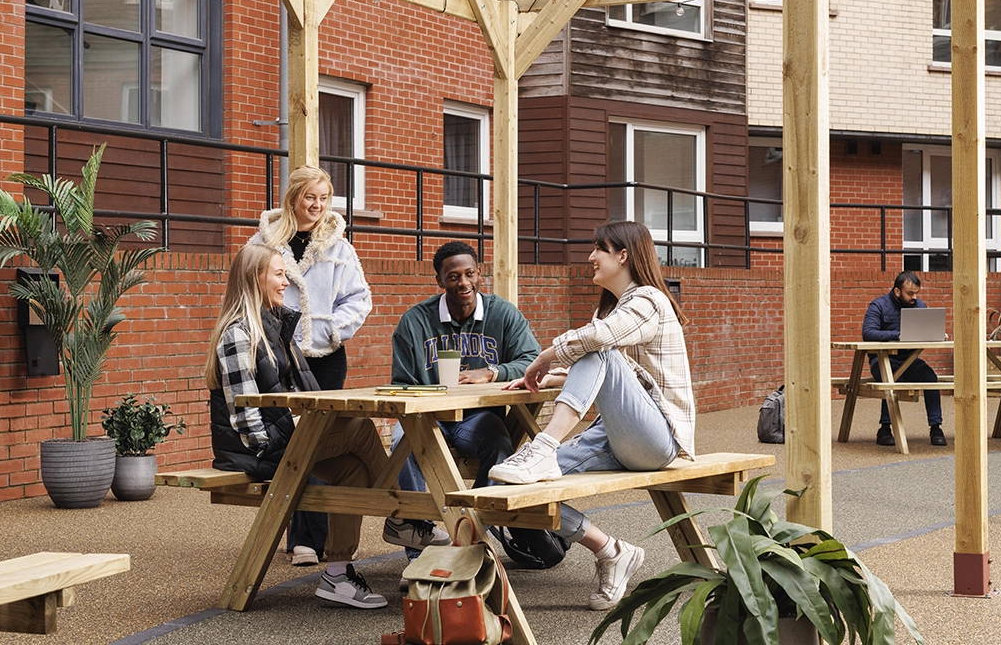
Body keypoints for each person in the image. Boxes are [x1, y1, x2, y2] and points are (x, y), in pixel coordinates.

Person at [205, 244, 441, 609]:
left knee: (355, 472)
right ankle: (406, 518)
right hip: (255, 449)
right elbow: (243, 413)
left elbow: (304, 393)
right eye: (279, 274)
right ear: (255, 278)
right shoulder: (239, 334)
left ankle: (337, 575)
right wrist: (272, 445)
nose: (287, 282)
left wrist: (317, 423)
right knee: (361, 427)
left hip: (285, 436)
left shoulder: (279, 325)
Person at [488, 220, 695, 611]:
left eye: (599, 248)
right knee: (506, 490)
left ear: (623, 255)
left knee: (597, 347)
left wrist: (546, 355)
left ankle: (544, 446)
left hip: (658, 440)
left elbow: (600, 345)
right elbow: (617, 374)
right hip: (615, 436)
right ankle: (611, 550)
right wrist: (552, 376)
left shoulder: (649, 300)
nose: (590, 257)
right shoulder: (616, 310)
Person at [389, 241, 541, 565]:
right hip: (428, 419)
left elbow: (532, 360)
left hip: (476, 418)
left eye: (469, 273)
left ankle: (473, 538)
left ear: (479, 272)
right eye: (453, 276)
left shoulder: (502, 314)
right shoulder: (415, 322)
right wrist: (433, 395)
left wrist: (492, 372)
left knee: (499, 441)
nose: (463, 283)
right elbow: (401, 383)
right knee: (403, 442)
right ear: (439, 281)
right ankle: (422, 551)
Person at [249, 165, 371, 566]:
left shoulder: (339, 245)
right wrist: (275, 335)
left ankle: (325, 537)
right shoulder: (266, 241)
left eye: (324, 197)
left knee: (323, 441)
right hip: (280, 356)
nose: (317, 205)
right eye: (309, 197)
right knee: (295, 440)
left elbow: (360, 299)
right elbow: (249, 289)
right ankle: (302, 537)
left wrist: (329, 331)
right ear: (293, 197)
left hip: (327, 358)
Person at [862, 271, 946, 447]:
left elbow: (924, 331)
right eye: (910, 293)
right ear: (897, 291)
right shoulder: (878, 306)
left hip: (909, 360)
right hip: (882, 360)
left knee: (931, 378)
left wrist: (936, 334)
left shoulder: (919, 306)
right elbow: (868, 333)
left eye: (916, 293)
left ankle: (936, 428)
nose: (914, 297)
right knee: (890, 378)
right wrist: (898, 335)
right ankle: (885, 428)